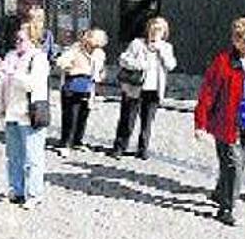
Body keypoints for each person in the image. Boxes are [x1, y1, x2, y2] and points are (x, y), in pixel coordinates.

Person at [194, 17, 245, 226]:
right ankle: (226, 209)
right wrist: (200, 124)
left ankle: (221, 193)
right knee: (234, 167)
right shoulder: (222, 62)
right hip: (226, 123)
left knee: (237, 165)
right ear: (235, 40)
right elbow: (207, 94)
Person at [0, 22, 51, 209]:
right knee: (13, 156)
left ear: (33, 40)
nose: (18, 42)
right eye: (17, 39)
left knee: (33, 157)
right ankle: (16, 190)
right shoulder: (11, 56)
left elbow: (33, 84)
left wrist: (13, 73)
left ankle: (34, 194)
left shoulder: (39, 59)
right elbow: (4, 83)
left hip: (30, 113)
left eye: (22, 39)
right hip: (12, 111)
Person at [111, 17, 177, 160]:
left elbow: (171, 65)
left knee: (147, 121)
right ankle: (120, 146)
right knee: (127, 119)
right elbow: (123, 59)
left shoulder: (166, 47)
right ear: (148, 30)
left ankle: (143, 148)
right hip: (134, 87)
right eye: (153, 29)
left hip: (154, 89)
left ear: (164, 32)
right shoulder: (137, 44)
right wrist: (138, 64)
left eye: (159, 30)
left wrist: (162, 52)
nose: (155, 33)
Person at [55, 28, 108, 152]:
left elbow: (101, 68)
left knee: (83, 114)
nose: (97, 45)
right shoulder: (75, 49)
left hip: (89, 87)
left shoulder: (99, 53)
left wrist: (101, 75)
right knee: (70, 115)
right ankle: (65, 143)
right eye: (95, 40)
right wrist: (72, 68)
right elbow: (61, 62)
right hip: (72, 86)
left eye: (100, 42)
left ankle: (78, 140)